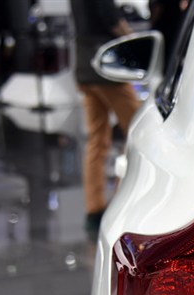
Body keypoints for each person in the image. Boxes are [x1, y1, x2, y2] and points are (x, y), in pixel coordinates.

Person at [69, 0, 141, 234]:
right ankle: (125, 202)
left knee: (96, 140)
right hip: (107, 69)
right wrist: (134, 41)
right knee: (141, 131)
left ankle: (94, 209)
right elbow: (111, 19)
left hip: (84, 66)